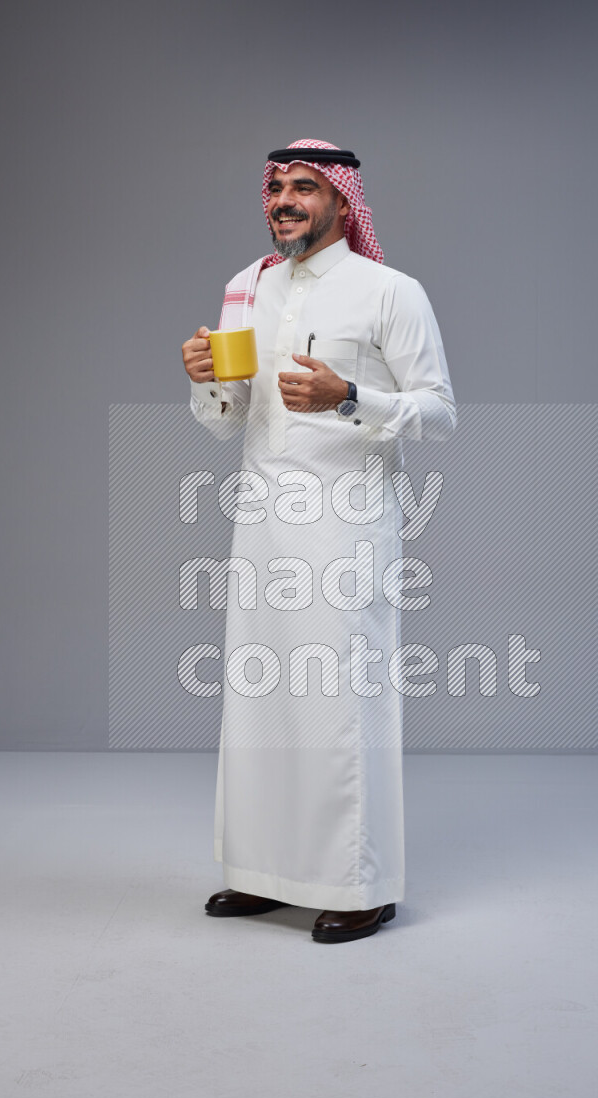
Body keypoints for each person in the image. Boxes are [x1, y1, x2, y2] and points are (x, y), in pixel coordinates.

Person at [182, 138, 456, 943]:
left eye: (306, 187)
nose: (286, 201)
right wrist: (205, 382)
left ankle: (359, 883)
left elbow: (440, 412)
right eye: (277, 188)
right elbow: (231, 419)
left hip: (347, 528)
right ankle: (263, 874)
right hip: (261, 522)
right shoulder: (246, 288)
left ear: (342, 201)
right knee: (261, 698)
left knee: (341, 701)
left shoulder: (389, 291)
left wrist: (349, 399)